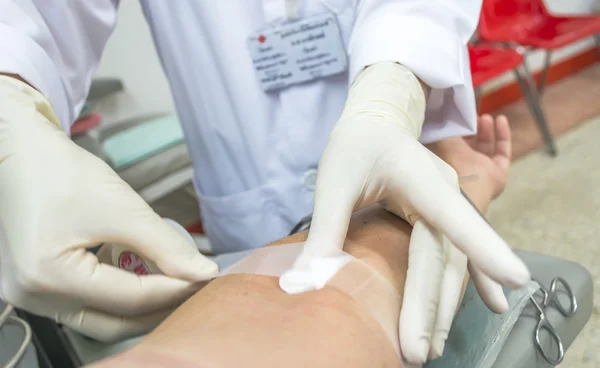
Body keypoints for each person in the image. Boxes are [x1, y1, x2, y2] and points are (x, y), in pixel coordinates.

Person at [0, 1, 529, 363]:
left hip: (398, 140)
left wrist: (392, 92)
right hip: (249, 185)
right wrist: (11, 116)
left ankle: (459, 176)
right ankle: (464, 178)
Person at [88, 114, 514, 367]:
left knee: (321, 293)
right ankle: (464, 178)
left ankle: (461, 176)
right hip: (245, 194)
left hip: (369, 151)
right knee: (325, 297)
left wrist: (386, 107)